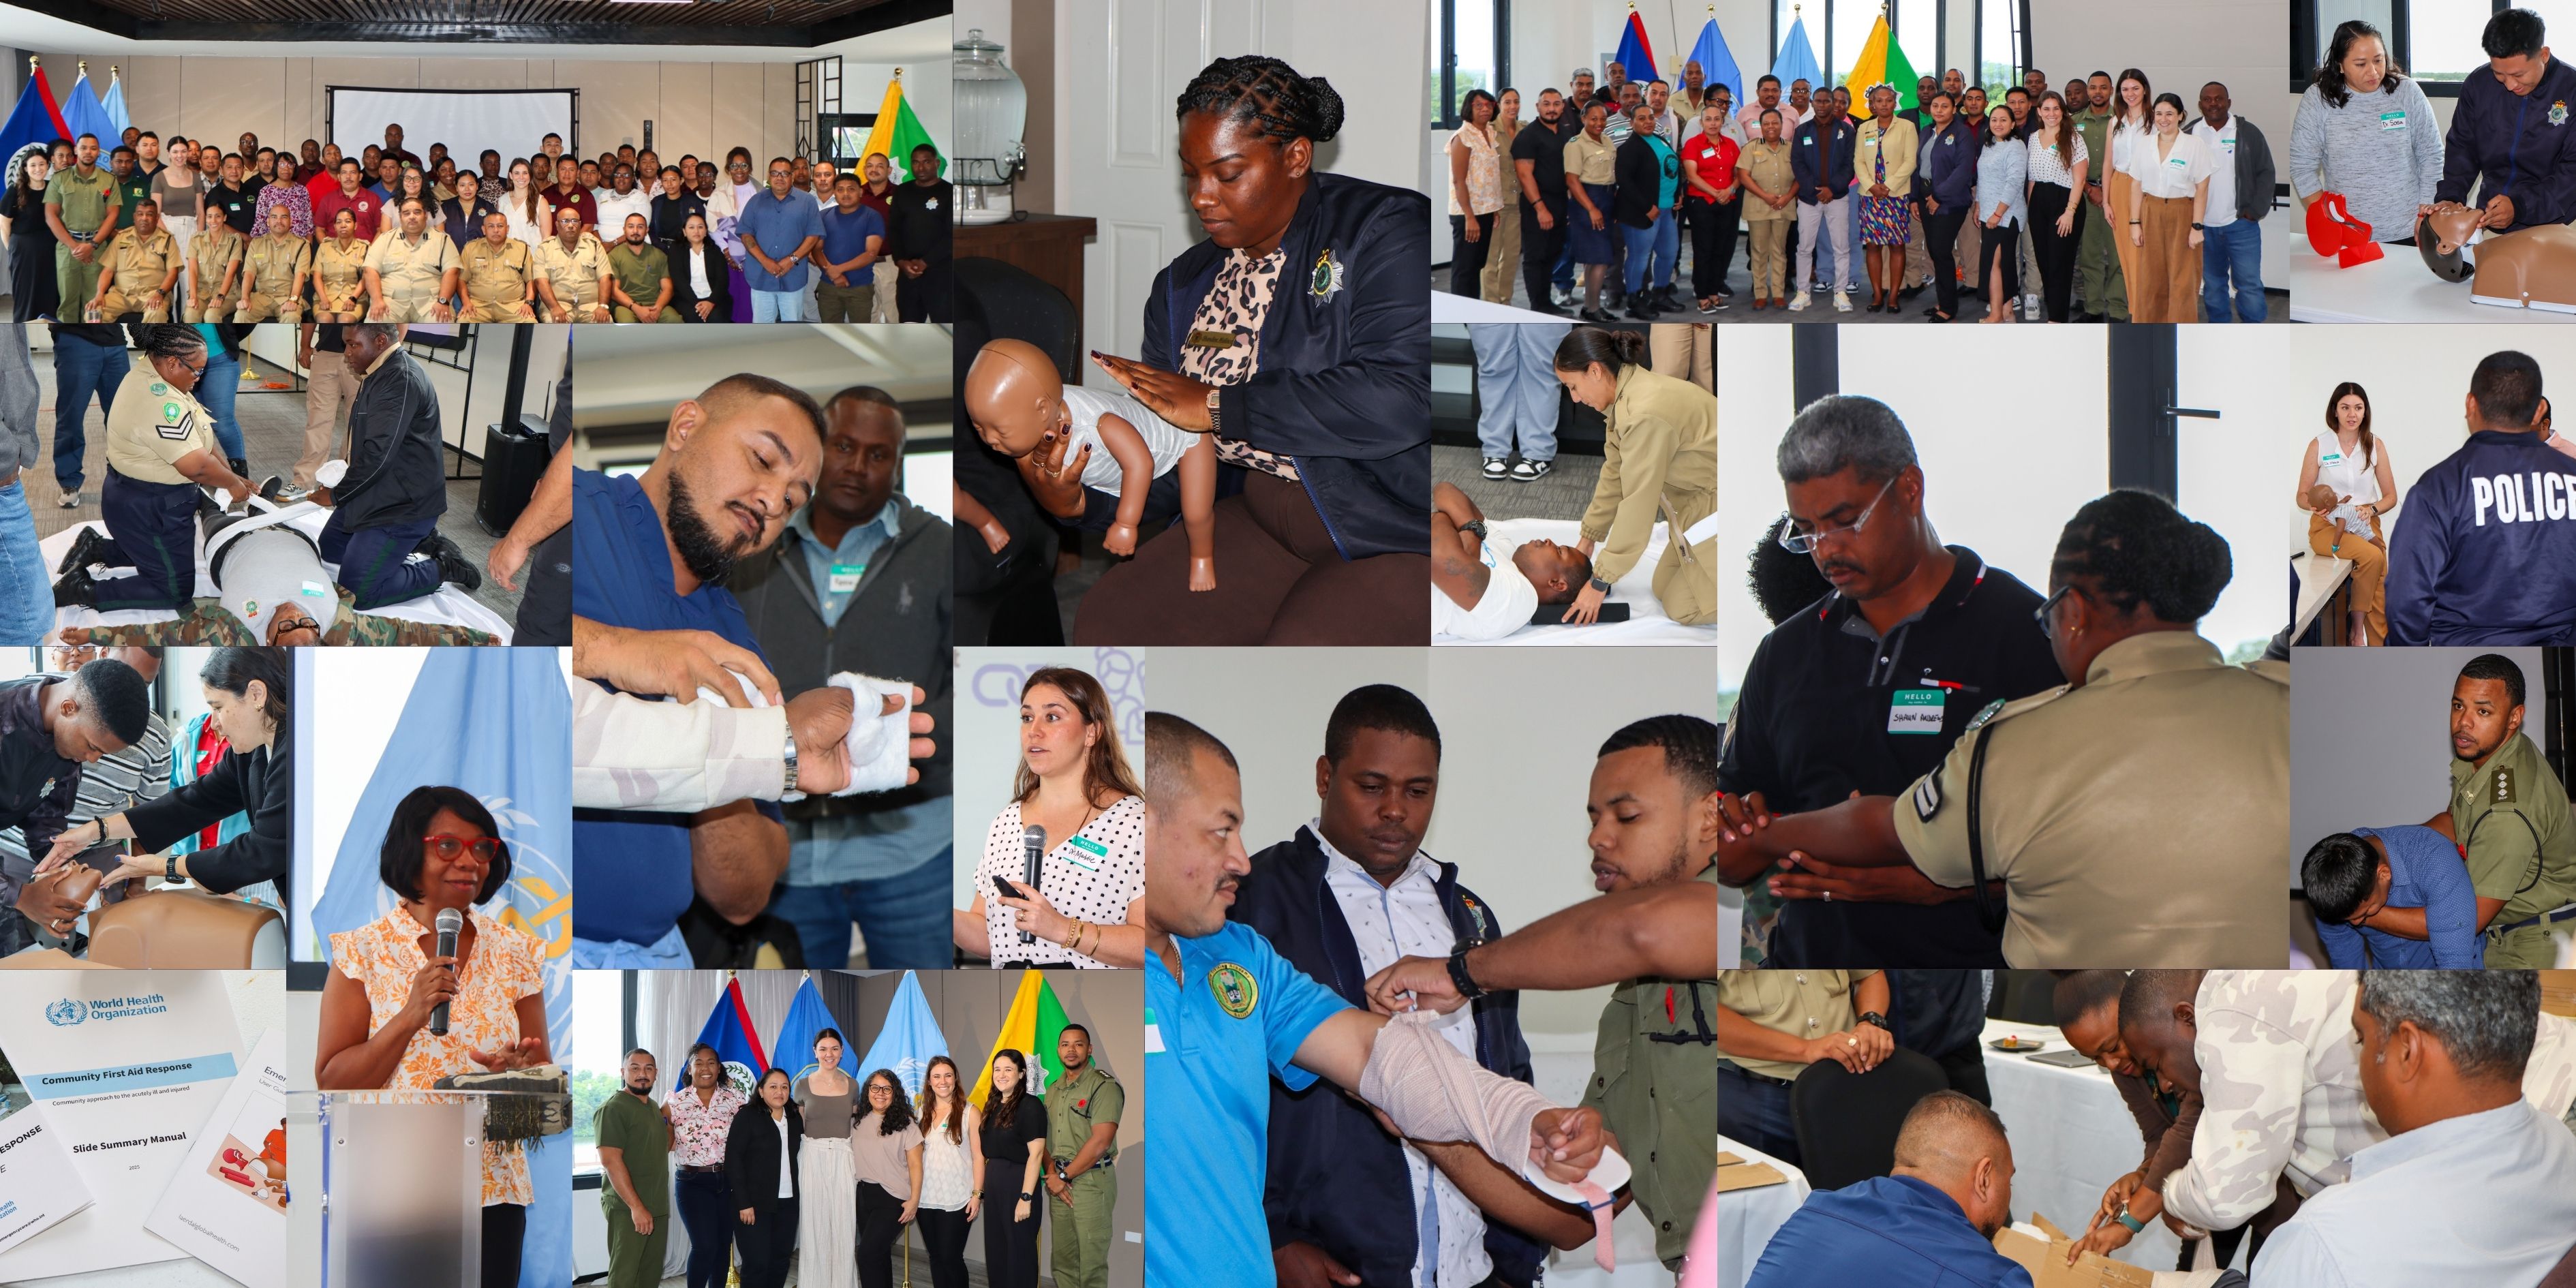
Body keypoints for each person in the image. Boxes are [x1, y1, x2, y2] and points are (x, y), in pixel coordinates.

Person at [1715, 491, 2290, 968]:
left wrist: (1774, 837)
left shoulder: (2012, 742)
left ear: (2071, 614)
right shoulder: (2292, 711)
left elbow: (1888, 826)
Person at [1137, 712, 1608, 1288]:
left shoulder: (1241, 953)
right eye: (1221, 831)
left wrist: (1525, 1121)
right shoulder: (1054, 959)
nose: (1239, 857)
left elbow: (1379, 1055)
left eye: (1416, 789)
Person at [1047, 56, 1431, 647]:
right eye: (1190, 175)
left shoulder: (1382, 228)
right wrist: (1081, 495)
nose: (1202, 197)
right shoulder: (1183, 286)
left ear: (1296, 157)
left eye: (1227, 175)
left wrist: (1223, 406)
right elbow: (1173, 456)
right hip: (1253, 511)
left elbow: (1403, 399)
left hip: (1383, 523)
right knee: (1111, 619)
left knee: (1299, 652)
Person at [1225, 685, 1553, 1288]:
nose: (1396, 810)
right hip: (1334, 1265)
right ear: (1325, 776)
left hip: (1472, 1266)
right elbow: (1217, 1099)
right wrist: (1270, 1238)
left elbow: (1508, 1076)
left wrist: (1517, 1257)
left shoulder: (1471, 915)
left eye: (1418, 791)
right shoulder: (1250, 904)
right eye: (1372, 787)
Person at [1716, 401, 2058, 966]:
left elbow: (2080, 851)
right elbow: (1731, 854)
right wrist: (1734, 831)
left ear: (1909, 489)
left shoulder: (2026, 636)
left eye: (1845, 520)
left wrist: (1929, 885)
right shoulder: (1784, 654)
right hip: (1807, 976)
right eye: (1807, 531)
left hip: (1972, 981)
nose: (1826, 550)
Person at [568, 374, 822, 966]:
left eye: (792, 501)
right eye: (762, 459)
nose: (771, 501)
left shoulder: (735, 645)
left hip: (657, 951)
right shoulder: (577, 513)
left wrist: (712, 752)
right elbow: (477, 663)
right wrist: (616, 649)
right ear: (685, 427)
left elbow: (743, 898)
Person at [729, 386, 955, 970]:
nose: (858, 465)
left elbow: (977, 684)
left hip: (912, 849)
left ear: (898, 463)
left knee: (925, 1014)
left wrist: (887, 740)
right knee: (802, 1023)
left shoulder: (941, 550)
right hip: (787, 853)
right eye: (845, 447)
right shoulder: (753, 541)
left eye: (878, 454)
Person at [313, 785, 548, 1288]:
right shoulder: (362, 952)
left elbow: (544, 1098)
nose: (470, 861)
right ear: (409, 850)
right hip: (396, 1194)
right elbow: (332, 1081)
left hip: (494, 1193)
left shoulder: (517, 952)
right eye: (448, 845)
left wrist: (515, 1077)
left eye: (482, 848)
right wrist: (410, 1015)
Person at [2254, 972, 2576, 1287]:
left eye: (2362, 1039)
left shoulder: (2323, 1246)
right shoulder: (2561, 1145)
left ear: (2407, 1051)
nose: (2359, 1062)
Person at [955, 667, 1145, 968]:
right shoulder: (1006, 821)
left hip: (1095, 1004)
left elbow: (1153, 946)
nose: (1034, 731)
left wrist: (1061, 929)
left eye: (1052, 717)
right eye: (1027, 718)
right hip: (1017, 1000)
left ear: (1092, 732)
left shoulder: (1134, 822)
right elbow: (989, 937)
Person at [52, 327, 251, 613]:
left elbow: (200, 439)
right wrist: (231, 484)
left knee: (155, 552)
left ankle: (96, 547)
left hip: (140, 499)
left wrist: (231, 474)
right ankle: (82, 588)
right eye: (197, 371)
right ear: (173, 362)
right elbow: (195, 465)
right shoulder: (161, 399)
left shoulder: (157, 376)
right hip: (151, 507)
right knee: (174, 592)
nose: (199, 378)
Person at [2051, 971, 2239, 1269]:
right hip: (2209, 1178)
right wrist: (2143, 1174)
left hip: (2255, 1168)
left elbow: (2191, 1126)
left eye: (2113, 1047)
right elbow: (2159, 1135)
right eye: (2096, 1058)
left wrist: (2127, 1224)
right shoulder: (2121, 1068)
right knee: (2193, 1271)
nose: (2111, 1064)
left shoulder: (2190, 1043)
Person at [2385, 352, 2576, 645]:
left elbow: (2407, 597)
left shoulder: (2439, 487)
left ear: (2470, 404)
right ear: (2539, 412)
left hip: (2464, 651)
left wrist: (2412, 662)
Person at [1742, 1092, 2025, 1288]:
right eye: (2009, 1182)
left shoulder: (1809, 1215)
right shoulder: (1993, 1278)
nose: (2009, 1195)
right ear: (1984, 1177)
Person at [1550, 326, 1713, 627]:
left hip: (1722, 505)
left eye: (1573, 386)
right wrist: (1588, 541)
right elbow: (1614, 476)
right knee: (1662, 587)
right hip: (1696, 504)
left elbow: (1639, 501)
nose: (1574, 398)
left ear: (1595, 371)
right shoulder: (1626, 397)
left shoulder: (1642, 414)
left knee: (1682, 608)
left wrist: (1600, 582)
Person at [311, 323, 478, 608]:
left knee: (359, 594)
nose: (346, 353)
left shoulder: (399, 379)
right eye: (346, 344)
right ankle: (423, 541)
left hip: (402, 505)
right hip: (379, 489)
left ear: (380, 340)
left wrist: (336, 495)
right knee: (331, 549)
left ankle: (443, 566)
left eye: (353, 345)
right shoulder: (378, 369)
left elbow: (378, 455)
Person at [2427, 654, 2576, 968]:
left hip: (2536, 946)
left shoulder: (2507, 813)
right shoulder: (2491, 753)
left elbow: (2461, 924)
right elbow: (2457, 823)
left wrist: (2369, 911)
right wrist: (2387, 846)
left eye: (2483, 711)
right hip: (2507, 933)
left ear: (2514, 717)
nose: (2463, 723)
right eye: (2458, 706)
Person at [2292, 21, 2441, 245]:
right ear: (2340, 65)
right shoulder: (2318, 99)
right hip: (2347, 235)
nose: (2373, 72)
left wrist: (2426, 215)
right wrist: (2329, 219)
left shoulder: (2406, 92)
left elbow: (2432, 156)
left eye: (2379, 60)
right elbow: (2301, 167)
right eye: (2360, 64)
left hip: (2411, 229)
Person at [2434, 8, 2576, 235]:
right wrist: (2450, 198)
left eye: (2519, 75)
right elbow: (2463, 148)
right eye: (2499, 74)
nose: (2510, 85)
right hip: (2491, 219)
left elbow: (2571, 174)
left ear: (2544, 55)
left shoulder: (2571, 89)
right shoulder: (2478, 85)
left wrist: (2520, 206)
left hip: (2559, 222)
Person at [2299, 382, 2401, 645]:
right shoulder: (2319, 445)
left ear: (2365, 412)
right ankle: (2357, 630)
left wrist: (2371, 509)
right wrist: (2315, 506)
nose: (2352, 414)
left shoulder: (2375, 445)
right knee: (2372, 554)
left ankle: (2379, 654)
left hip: (2366, 524)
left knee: (2380, 590)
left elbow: (2391, 496)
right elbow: (2301, 495)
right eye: (2345, 407)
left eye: (2358, 408)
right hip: (2328, 526)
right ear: (2335, 411)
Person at [2302, 827, 2483, 969]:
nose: (2357, 923)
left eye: (2366, 911)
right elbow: (2349, 971)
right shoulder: (2330, 886)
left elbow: (2455, 962)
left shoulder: (2433, 859)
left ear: (2384, 873)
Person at [1429, 480, 1567, 640]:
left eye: (1559, 551)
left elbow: (1440, 559)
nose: (1549, 540)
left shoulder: (1520, 599)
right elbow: (1445, 490)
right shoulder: (1508, 550)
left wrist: (1441, 518)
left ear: (1557, 583)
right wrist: (1471, 533)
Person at [2183, 82, 2274, 323]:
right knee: (2213, 287)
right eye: (2208, 99)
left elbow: (2266, 172)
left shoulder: (2247, 133)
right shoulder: (2189, 134)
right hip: (2202, 229)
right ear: (2200, 104)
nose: (2214, 103)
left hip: (2240, 225)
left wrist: (2254, 211)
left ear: (2229, 103)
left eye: (2219, 99)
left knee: (2249, 286)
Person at [2123, 92, 2212, 322]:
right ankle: (2148, 333)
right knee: (2151, 278)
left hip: (2183, 213)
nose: (2164, 119)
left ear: (2181, 115)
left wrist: (2197, 226)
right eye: (2159, 113)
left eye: (2170, 114)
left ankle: (2180, 333)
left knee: (2182, 280)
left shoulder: (2194, 145)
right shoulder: (2144, 144)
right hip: (2150, 211)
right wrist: (2135, 223)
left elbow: (2202, 188)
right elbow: (2135, 184)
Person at [667, 1043, 746, 1288]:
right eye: (698, 1062)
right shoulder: (675, 1102)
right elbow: (662, 1142)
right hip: (693, 1183)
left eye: (711, 1062)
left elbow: (749, 1137)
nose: (705, 1067)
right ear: (689, 1069)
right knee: (704, 1246)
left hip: (727, 1182)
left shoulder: (734, 1100)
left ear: (719, 1067)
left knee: (723, 1245)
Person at [596, 1049, 672, 1288]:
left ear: (656, 1074)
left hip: (657, 1205)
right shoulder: (614, 1108)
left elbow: (664, 1148)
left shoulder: (652, 1108)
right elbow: (610, 1161)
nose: (642, 1074)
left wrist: (669, 1120)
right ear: (623, 1072)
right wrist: (636, 1207)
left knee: (650, 1274)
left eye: (648, 1068)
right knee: (625, 1277)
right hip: (628, 1208)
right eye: (635, 1068)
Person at [724, 1067, 803, 1288]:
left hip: (788, 1204)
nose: (780, 1092)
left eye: (785, 1087)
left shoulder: (795, 1118)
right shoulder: (747, 1116)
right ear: (761, 1090)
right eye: (773, 1086)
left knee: (780, 1261)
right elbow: (733, 1160)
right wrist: (744, 1203)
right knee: (757, 1263)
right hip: (754, 1205)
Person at [851, 1067, 925, 1288]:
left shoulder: (906, 1124)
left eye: (887, 1088)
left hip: (893, 1199)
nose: (880, 1093)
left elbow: (916, 1165)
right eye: (875, 1087)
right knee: (879, 1255)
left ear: (895, 1093)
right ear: (868, 1091)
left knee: (866, 1254)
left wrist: (914, 1201)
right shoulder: (857, 1120)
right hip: (864, 1195)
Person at [912, 1056, 981, 1288]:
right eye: (937, 1076)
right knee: (936, 1257)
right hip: (925, 1198)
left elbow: (979, 1157)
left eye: (948, 1075)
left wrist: (977, 1194)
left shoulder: (970, 1112)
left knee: (951, 1258)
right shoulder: (920, 1112)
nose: (943, 1081)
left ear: (955, 1079)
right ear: (929, 1082)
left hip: (958, 1198)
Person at [2023, 92, 2091, 323]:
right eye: (2047, 109)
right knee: (2044, 262)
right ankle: (2054, 314)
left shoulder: (2073, 138)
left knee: (2060, 264)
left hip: (2065, 203)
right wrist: (2030, 209)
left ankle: (2058, 319)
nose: (2051, 114)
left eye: (2056, 109)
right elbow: (2031, 179)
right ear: (2039, 112)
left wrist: (2070, 212)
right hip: (2039, 202)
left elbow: (2080, 180)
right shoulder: (2033, 138)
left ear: (2062, 112)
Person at [1789, 91, 1857, 312]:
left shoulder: (1846, 131)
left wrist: (1832, 189)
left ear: (1833, 104)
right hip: (1809, 199)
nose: (1822, 105)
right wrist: (1815, 190)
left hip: (1837, 197)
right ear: (1812, 103)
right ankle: (1803, 292)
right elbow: (1798, 164)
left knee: (1841, 247)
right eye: (1818, 101)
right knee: (1804, 248)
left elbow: (1849, 164)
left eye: (1827, 101)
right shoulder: (1802, 131)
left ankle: (1841, 292)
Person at [1854, 85, 1919, 315]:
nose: (1883, 104)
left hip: (1896, 195)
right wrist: (1872, 186)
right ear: (1872, 104)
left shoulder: (1907, 127)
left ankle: (1893, 296)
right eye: (1878, 101)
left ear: (1895, 103)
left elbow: (1910, 161)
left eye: (1888, 100)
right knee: (1873, 245)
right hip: (1870, 196)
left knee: (1896, 245)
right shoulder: (1864, 128)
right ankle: (1877, 294)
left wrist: (1888, 186)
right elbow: (1858, 161)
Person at [1613, 102, 1681, 318]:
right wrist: (1647, 207)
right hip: (1642, 213)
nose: (1648, 122)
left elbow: (1672, 167)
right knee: (1639, 258)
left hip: (1667, 209)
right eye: (1642, 118)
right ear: (1632, 123)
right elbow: (1625, 182)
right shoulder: (1629, 148)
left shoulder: (1660, 140)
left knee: (1669, 254)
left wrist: (1678, 193)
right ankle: (1633, 302)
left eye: (1650, 117)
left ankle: (1659, 295)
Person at [735, 156, 823, 322]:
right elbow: (746, 234)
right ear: (769, 176)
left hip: (793, 276)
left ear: (792, 176)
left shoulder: (807, 202)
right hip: (761, 277)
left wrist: (792, 259)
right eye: (775, 173)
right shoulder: (755, 201)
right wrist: (764, 261)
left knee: (791, 331)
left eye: (785, 173)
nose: (779, 178)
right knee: (763, 333)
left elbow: (814, 235)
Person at [1563, 100, 1621, 320]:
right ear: (1583, 118)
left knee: (1593, 259)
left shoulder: (1607, 140)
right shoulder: (1575, 144)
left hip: (1606, 199)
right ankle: (1594, 308)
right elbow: (1572, 180)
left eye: (1603, 118)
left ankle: (1590, 306)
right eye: (1594, 118)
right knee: (1601, 257)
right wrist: (1591, 208)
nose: (1599, 123)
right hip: (1587, 201)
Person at [1447, 89, 1506, 297]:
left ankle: (1473, 310)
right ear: (1468, 108)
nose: (1485, 109)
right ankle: (1461, 315)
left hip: (1486, 211)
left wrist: (1494, 209)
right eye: (1479, 105)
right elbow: (1459, 180)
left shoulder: (1489, 132)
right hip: (1467, 213)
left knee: (1476, 266)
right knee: (1465, 270)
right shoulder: (1463, 137)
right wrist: (1470, 217)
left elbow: (1489, 176)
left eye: (1489, 105)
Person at [2103, 70, 2153, 317]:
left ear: (2145, 89)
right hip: (2120, 188)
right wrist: (2105, 201)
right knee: (2127, 254)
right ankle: (2136, 311)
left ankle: (2148, 310)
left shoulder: (2157, 119)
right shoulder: (2116, 122)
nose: (2130, 94)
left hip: (2149, 189)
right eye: (2125, 89)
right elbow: (2107, 163)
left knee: (2146, 253)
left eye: (2135, 88)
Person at [1681, 100, 1738, 313]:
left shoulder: (1731, 144)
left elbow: (1739, 174)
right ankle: (1703, 294)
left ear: (1723, 122)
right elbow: (1692, 175)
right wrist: (1715, 193)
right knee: (1704, 249)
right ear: (1701, 122)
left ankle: (1714, 292)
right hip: (1702, 203)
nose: (1713, 123)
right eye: (1708, 119)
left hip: (1727, 203)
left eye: (1717, 119)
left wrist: (1730, 190)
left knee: (1720, 249)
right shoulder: (1693, 144)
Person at [364, 197, 461, 322]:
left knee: (442, 322)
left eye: (417, 212)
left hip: (431, 303)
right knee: (374, 323)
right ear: (400, 217)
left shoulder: (443, 240)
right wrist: (377, 300)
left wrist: (443, 301)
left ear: (425, 215)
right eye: (406, 213)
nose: (412, 217)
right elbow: (370, 270)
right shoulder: (385, 239)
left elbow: (452, 271)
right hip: (390, 303)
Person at [885, 143, 952, 322]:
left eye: (926, 162)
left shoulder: (950, 192)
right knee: (909, 328)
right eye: (915, 162)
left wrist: (925, 262)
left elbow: (951, 236)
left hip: (940, 274)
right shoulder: (902, 191)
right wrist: (900, 261)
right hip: (908, 273)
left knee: (943, 329)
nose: (920, 167)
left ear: (937, 163)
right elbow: (894, 229)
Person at [1972, 105, 2027, 324]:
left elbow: (2015, 183)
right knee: (2000, 264)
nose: (1998, 124)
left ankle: (1996, 314)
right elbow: (1983, 179)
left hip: (2006, 215)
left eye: (2003, 120)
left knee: (1994, 264)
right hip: (1988, 213)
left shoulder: (2016, 147)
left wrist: (1998, 213)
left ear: (2013, 124)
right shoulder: (1990, 144)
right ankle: (2007, 312)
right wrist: (1979, 207)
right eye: (1994, 120)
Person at [1741, 108, 1796, 309]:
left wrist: (1788, 197)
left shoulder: (1792, 148)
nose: (1771, 127)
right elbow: (1744, 176)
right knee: (1759, 251)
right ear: (1761, 126)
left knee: (1779, 251)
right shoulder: (1751, 148)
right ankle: (1761, 294)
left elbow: (1800, 176)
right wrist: (1765, 196)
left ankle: (1779, 293)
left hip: (1784, 206)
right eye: (1767, 124)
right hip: (1758, 206)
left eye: (1775, 123)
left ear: (1782, 126)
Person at [89, 198, 179, 322]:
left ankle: (147, 341)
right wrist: (99, 294)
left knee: (156, 314)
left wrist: (160, 294)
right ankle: (107, 341)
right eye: (140, 214)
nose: (144, 218)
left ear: (157, 218)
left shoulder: (168, 240)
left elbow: (173, 273)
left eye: (150, 215)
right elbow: (108, 271)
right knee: (94, 311)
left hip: (152, 294)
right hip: (121, 296)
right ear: (135, 217)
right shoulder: (121, 238)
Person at [812, 173, 885, 322]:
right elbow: (816, 249)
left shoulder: (872, 217)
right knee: (831, 334)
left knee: (860, 336)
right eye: (840, 189)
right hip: (829, 286)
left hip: (860, 288)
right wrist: (833, 274)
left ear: (860, 192)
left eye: (851, 189)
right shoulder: (823, 216)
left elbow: (871, 253)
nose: (845, 194)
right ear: (834, 192)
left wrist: (838, 270)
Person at [4, 148, 60, 320]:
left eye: (42, 164)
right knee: (26, 295)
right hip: (23, 251)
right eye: (33, 165)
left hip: (51, 251)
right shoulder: (15, 190)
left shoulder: (54, 188)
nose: (38, 169)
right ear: (26, 168)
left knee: (50, 293)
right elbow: (4, 224)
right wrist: (12, 251)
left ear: (48, 166)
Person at [533, 205, 611, 322]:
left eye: (575, 221)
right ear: (557, 225)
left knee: (606, 324)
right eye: (565, 221)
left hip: (592, 306)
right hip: (558, 305)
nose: (570, 226)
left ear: (580, 224)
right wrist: (554, 307)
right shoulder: (545, 248)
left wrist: (603, 306)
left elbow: (605, 277)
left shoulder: (594, 245)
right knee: (554, 328)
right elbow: (541, 281)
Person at [459, 211, 537, 321]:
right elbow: (461, 280)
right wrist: (466, 303)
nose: (496, 230)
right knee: (464, 322)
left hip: (513, 307)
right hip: (478, 306)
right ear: (484, 229)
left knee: (530, 322)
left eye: (500, 226)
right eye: (491, 226)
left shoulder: (522, 248)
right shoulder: (470, 249)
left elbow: (531, 280)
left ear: (507, 229)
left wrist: (528, 303)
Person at [181, 201, 247, 323]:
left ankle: (212, 342)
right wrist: (194, 296)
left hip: (227, 294)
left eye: (218, 216)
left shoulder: (235, 240)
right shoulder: (196, 239)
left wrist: (220, 297)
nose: (214, 221)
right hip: (202, 293)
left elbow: (230, 273)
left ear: (225, 218)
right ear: (206, 218)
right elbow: (193, 271)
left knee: (211, 315)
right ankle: (194, 342)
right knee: (190, 314)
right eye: (210, 216)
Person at [605, 213, 678, 322]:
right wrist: (636, 308)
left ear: (647, 230)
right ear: (624, 230)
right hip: (626, 306)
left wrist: (658, 309)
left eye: (640, 227)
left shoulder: (659, 255)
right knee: (627, 325)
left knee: (675, 321)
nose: (635, 231)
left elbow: (668, 288)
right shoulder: (614, 255)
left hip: (655, 304)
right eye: (631, 227)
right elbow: (614, 291)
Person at [668, 211, 730, 322]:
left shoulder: (715, 251)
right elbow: (679, 281)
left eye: (700, 227)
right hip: (687, 299)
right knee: (694, 317)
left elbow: (723, 281)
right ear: (684, 232)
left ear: (706, 231)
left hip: (713, 298)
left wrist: (710, 302)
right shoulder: (676, 250)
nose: (696, 231)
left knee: (717, 318)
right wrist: (697, 304)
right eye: (691, 227)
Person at [311, 208, 370, 322]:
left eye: (348, 221)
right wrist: (323, 299)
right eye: (339, 222)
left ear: (355, 225)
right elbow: (317, 277)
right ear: (334, 227)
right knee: (324, 319)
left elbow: (366, 279)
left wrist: (353, 299)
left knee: (345, 320)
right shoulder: (325, 247)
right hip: (326, 296)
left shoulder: (365, 248)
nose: (343, 225)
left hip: (355, 298)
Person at [312, 158, 380, 243]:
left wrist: (370, 252)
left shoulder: (373, 199)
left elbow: (381, 230)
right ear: (339, 177)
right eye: (344, 173)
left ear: (360, 177)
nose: (348, 177)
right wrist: (328, 251)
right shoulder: (327, 200)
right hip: (334, 254)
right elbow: (319, 229)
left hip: (366, 253)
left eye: (353, 172)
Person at [650, 164, 707, 251]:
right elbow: (650, 229)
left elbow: (702, 228)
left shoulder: (693, 202)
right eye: (665, 180)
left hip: (686, 249)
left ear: (681, 180)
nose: (669, 184)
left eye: (673, 180)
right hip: (659, 250)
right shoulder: (656, 202)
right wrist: (660, 246)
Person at [540, 155, 598, 239]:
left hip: (575, 247)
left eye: (571, 170)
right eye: (563, 169)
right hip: (549, 246)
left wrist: (571, 245)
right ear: (557, 171)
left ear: (577, 173)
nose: (567, 174)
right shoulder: (545, 195)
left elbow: (588, 227)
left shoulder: (586, 196)